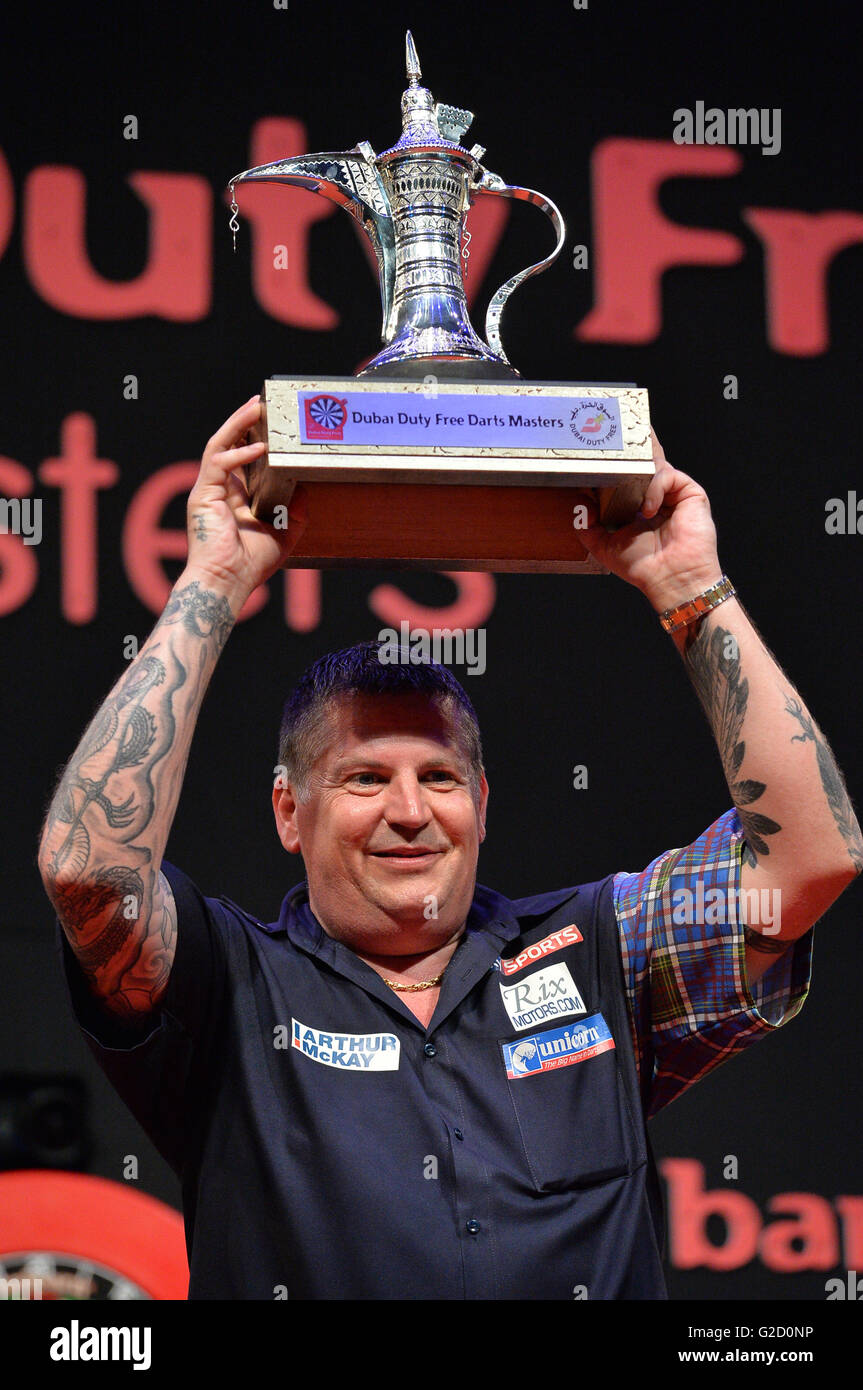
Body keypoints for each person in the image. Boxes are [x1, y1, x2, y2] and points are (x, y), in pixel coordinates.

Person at [38, 396, 862, 1300]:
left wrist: (688, 592)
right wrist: (209, 585)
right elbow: (89, 871)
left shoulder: (603, 949)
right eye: (362, 779)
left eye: (437, 778)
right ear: (287, 811)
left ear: (479, 803)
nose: (408, 811)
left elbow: (808, 860)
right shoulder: (229, 984)